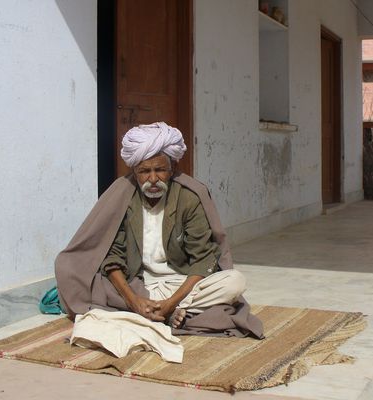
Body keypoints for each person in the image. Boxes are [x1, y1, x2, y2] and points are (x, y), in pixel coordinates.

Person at [55, 122, 263, 338]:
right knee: (85, 278)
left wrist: (171, 303)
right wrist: (133, 300)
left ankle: (162, 312)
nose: (153, 179)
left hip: (182, 283)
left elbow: (203, 259)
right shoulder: (122, 197)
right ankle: (157, 311)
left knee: (234, 281)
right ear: (134, 171)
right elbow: (112, 256)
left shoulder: (188, 198)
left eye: (160, 170)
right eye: (145, 171)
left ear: (171, 169)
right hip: (140, 283)